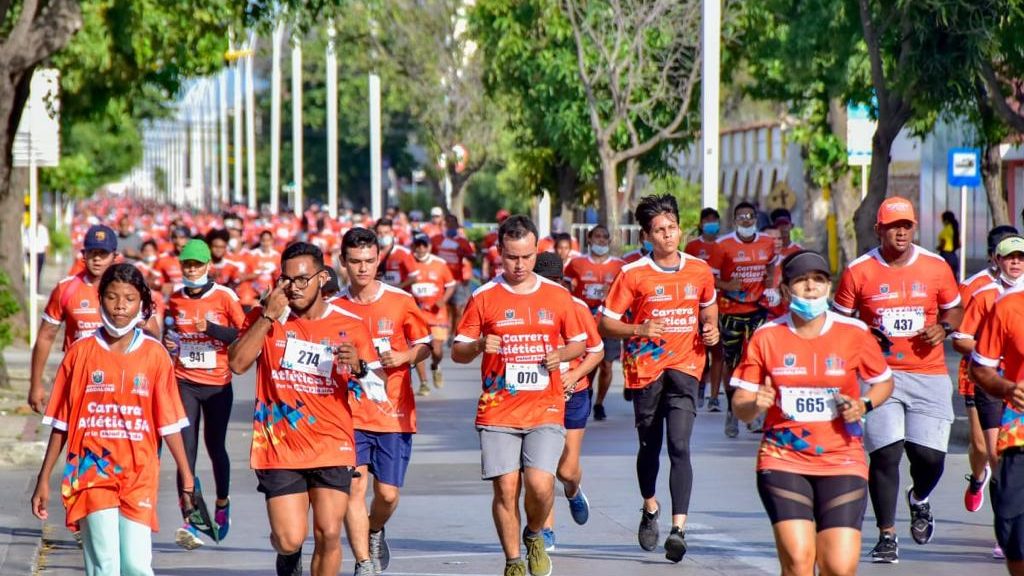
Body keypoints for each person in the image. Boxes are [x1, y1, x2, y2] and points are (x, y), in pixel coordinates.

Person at [731, 250, 894, 576]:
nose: (810, 288)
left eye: (818, 281)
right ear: (787, 290)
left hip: (843, 459)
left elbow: (883, 382)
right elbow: (741, 405)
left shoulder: (854, 332)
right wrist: (755, 404)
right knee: (799, 562)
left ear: (828, 288)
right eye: (801, 281)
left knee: (839, 566)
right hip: (783, 458)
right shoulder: (767, 336)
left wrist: (863, 405)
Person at [228, 242, 380, 576]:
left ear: (322, 278)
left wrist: (360, 367)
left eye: (302, 280)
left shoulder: (351, 325)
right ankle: (288, 556)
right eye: (287, 280)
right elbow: (237, 364)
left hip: (332, 443)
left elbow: (378, 389)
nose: (294, 288)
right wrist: (268, 315)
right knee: (289, 538)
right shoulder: (265, 318)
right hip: (280, 446)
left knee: (328, 533)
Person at [31, 263, 194, 576]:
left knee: (135, 564)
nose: (120, 305)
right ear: (100, 299)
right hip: (91, 471)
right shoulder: (79, 353)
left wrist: (186, 475)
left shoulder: (155, 355)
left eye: (129, 299)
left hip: (139, 473)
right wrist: (44, 478)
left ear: (142, 304)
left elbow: (169, 423)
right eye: (112, 297)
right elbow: (62, 423)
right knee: (105, 564)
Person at [451, 215, 586, 576]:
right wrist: (479, 344)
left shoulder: (557, 295)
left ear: (536, 250)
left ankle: (535, 534)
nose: (520, 265)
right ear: (500, 252)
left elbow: (579, 343)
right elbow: (457, 350)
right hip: (498, 410)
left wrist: (563, 355)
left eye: (526, 256)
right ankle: (513, 561)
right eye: (512, 257)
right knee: (506, 488)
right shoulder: (484, 297)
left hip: (546, 405)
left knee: (541, 486)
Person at [832, 196, 962, 563]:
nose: (901, 231)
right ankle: (887, 534)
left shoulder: (935, 267)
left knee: (929, 456)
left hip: (929, 374)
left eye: (906, 225)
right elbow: (840, 320)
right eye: (893, 226)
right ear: (879, 230)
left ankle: (919, 498)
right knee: (886, 453)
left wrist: (945, 327)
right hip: (879, 376)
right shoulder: (859, 271)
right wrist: (864, 334)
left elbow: (954, 307)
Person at [598, 194, 719, 562]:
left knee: (680, 446)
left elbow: (708, 307)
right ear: (647, 237)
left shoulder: (699, 269)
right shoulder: (632, 274)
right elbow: (605, 322)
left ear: (680, 229)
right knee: (650, 447)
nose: (667, 236)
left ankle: (678, 529)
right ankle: (650, 506)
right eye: (659, 231)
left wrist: (711, 328)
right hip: (646, 371)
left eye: (672, 228)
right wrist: (640, 328)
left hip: (685, 368)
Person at [334, 228, 432, 576]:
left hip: (393, 414)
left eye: (369, 261)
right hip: (349, 415)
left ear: (378, 260)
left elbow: (426, 344)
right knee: (354, 488)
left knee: (387, 495)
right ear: (343, 262)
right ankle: (363, 563)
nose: (363, 269)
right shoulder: (333, 307)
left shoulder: (400, 300)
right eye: (355, 262)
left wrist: (406, 356)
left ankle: (374, 530)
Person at [163, 239, 246, 549]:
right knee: (186, 452)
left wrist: (211, 329)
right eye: (187, 264)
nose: (192, 269)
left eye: (197, 264)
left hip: (217, 385)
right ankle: (191, 519)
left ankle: (222, 503)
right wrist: (169, 345)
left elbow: (243, 334)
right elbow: (168, 335)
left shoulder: (224, 297)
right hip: (184, 382)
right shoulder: (175, 299)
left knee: (215, 447)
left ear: (209, 265)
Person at [952, 233, 1023, 559]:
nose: (1016, 263)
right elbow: (961, 339)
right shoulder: (984, 295)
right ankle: (1004, 527)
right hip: (991, 384)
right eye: (1010, 257)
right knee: (995, 456)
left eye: (1021, 258)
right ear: (997, 260)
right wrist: (991, 352)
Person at [534, 252, 604, 550]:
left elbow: (596, 351)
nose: (550, 287)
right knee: (544, 467)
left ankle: (574, 492)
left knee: (565, 470)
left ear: (563, 281)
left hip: (574, 393)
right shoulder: (528, 305)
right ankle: (546, 529)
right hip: (538, 396)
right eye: (544, 282)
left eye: (555, 281)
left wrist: (574, 376)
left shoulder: (577, 307)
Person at [29, 225, 119, 414]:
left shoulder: (128, 289)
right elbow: (46, 337)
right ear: (83, 254)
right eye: (92, 252)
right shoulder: (66, 289)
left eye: (103, 254)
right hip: (78, 380)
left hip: (119, 381)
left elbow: (148, 332)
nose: (97, 259)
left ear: (114, 256)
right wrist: (36, 384)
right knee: (74, 440)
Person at [708, 201, 779, 438]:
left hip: (758, 309)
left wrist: (772, 286)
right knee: (733, 361)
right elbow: (710, 279)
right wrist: (728, 285)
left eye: (750, 216)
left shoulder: (767, 243)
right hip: (730, 311)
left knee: (758, 359)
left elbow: (771, 268)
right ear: (734, 220)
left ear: (756, 218)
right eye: (741, 216)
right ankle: (732, 409)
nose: (746, 220)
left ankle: (754, 413)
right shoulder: (722, 246)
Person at [970, 270, 1024, 576]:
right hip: (1020, 433)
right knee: (1012, 530)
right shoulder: (1008, 306)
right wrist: (1007, 388)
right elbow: (981, 368)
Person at [563, 225, 624, 421]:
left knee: (606, 364)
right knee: (587, 361)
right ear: (589, 239)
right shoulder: (576, 263)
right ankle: (586, 390)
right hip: (584, 319)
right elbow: (564, 287)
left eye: (605, 237)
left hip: (608, 319)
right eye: (597, 236)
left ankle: (599, 403)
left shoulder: (619, 266)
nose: (601, 240)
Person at [406, 233, 456, 395]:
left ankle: (435, 366)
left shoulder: (440, 264)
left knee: (436, 350)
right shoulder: (409, 263)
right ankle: (424, 383)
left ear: (429, 246)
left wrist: (443, 299)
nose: (421, 248)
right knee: (418, 348)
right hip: (417, 314)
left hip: (437, 314)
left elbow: (451, 284)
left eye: (424, 245)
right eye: (418, 245)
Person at [684, 208, 722, 411]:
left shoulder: (724, 247)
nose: (711, 224)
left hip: (720, 307)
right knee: (700, 350)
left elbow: (729, 278)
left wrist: (722, 286)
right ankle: (698, 386)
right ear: (700, 224)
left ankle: (714, 397)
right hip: (696, 307)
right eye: (707, 221)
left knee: (718, 352)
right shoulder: (692, 247)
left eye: (714, 220)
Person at [431, 213, 476, 341]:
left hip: (457, 280)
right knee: (445, 307)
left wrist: (464, 253)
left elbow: (473, 256)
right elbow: (430, 255)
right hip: (440, 281)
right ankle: (444, 332)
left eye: (453, 224)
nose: (450, 226)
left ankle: (453, 334)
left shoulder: (462, 241)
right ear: (444, 224)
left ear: (456, 226)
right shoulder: (436, 240)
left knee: (457, 309)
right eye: (448, 223)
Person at [374, 218, 416, 288]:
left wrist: (399, 287)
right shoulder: (372, 253)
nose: (382, 235)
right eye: (379, 233)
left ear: (392, 233)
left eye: (386, 232)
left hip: (400, 295)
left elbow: (414, 277)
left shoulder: (404, 253)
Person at [937, 210, 960, 279]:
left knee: (945, 278)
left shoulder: (945, 230)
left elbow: (942, 244)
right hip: (953, 256)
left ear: (946, 220)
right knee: (954, 278)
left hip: (945, 256)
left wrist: (939, 247)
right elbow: (959, 244)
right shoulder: (954, 229)